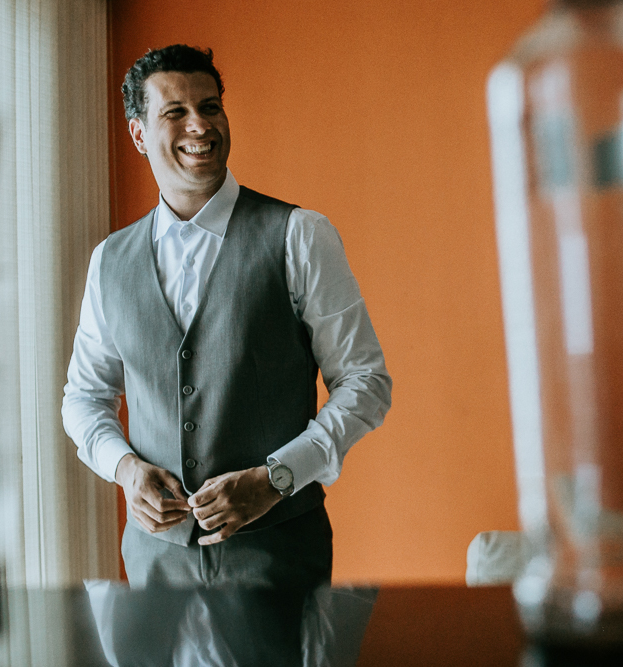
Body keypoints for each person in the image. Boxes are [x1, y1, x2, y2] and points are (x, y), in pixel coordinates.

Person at [62, 44, 391, 588]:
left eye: (210, 107)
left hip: (278, 559)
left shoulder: (299, 235)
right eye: (175, 112)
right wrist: (124, 469)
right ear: (139, 134)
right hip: (153, 567)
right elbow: (84, 396)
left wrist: (276, 478)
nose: (200, 125)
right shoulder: (109, 261)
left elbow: (366, 382)